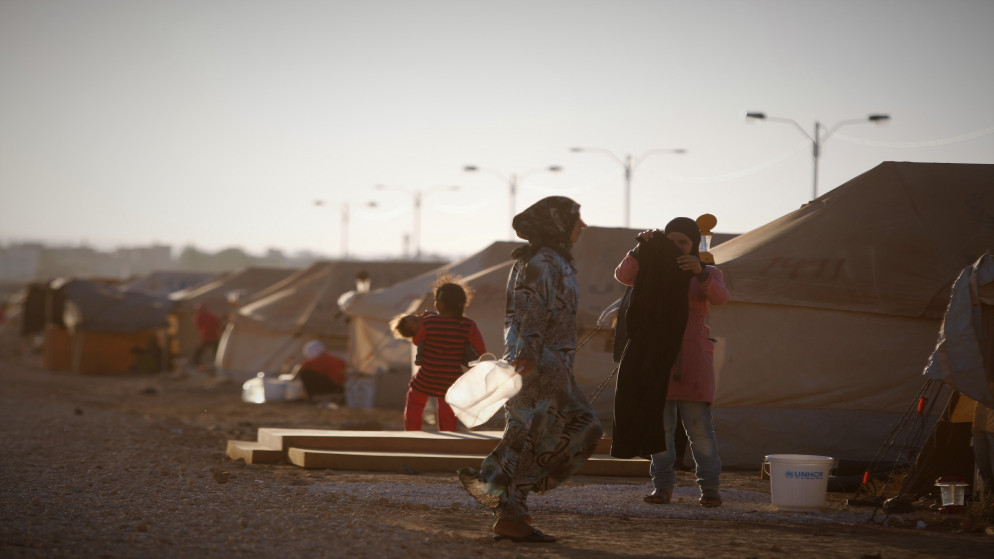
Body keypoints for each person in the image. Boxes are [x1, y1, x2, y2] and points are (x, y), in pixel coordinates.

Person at [457, 196, 603, 543]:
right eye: (575, 219)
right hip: (539, 363)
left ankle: (502, 497)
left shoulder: (557, 260)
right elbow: (532, 310)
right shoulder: (541, 261)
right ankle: (507, 503)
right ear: (556, 223)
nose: (582, 225)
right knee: (572, 429)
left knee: (526, 436)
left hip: (552, 362)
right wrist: (529, 355)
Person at [613, 217, 729, 508]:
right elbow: (623, 276)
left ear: (692, 245)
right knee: (660, 429)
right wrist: (640, 249)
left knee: (699, 428)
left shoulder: (707, 272)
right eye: (671, 241)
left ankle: (710, 489)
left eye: (683, 242)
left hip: (693, 361)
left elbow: (720, 297)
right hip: (657, 360)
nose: (676, 247)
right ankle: (662, 487)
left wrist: (700, 272)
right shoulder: (654, 268)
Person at [398, 277, 486, 431]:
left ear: (440, 304)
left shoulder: (428, 322)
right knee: (448, 411)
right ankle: (448, 438)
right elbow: (482, 352)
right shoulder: (468, 325)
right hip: (451, 377)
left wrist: (426, 319)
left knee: (415, 404)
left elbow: (417, 341)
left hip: (427, 375)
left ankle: (412, 434)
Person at [192, 303, 222, 368]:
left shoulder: (200, 317)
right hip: (211, 336)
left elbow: (197, 326)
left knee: (213, 350)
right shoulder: (211, 316)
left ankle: (195, 360)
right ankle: (219, 361)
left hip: (208, 336)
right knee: (215, 350)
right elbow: (218, 325)